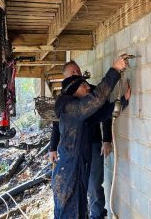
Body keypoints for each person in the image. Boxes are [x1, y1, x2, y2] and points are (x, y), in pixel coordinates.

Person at [52, 57, 130, 219]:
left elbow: (102, 113)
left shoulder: (79, 112)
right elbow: (96, 99)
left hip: (77, 166)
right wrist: (114, 70)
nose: (88, 87)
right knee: (71, 213)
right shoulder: (71, 107)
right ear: (73, 89)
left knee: (80, 210)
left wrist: (124, 100)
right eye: (83, 85)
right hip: (70, 171)